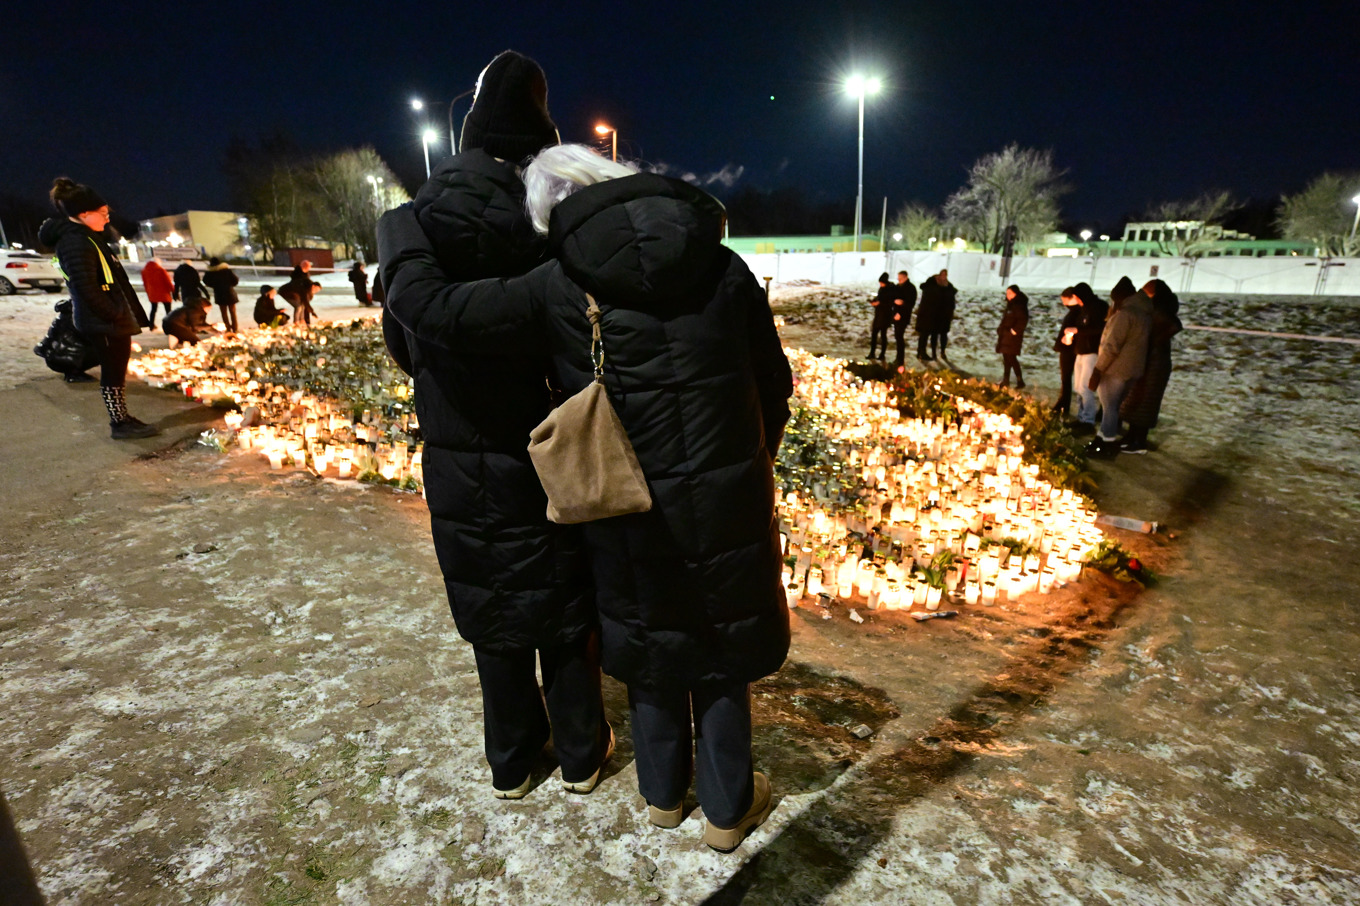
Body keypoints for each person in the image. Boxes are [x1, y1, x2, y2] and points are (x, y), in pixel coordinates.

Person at [382, 143, 794, 853]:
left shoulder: (558, 285)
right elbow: (774, 383)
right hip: (727, 497)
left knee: (649, 636)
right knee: (720, 643)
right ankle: (727, 811)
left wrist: (398, 228)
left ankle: (663, 797)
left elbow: (435, 310)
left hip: (624, 499)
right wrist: (748, 463)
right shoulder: (722, 265)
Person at [376, 51, 607, 803]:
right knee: (564, 610)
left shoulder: (421, 226)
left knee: (493, 610)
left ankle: (511, 762)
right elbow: (577, 342)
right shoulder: (550, 221)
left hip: (458, 451)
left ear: (470, 137)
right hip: (548, 448)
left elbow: (405, 343)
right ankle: (580, 755)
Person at [38, 178, 159, 439]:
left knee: (117, 370)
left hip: (108, 319)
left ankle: (122, 417)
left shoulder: (87, 237)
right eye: (103, 213)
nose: (107, 218)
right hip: (103, 321)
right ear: (84, 214)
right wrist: (114, 313)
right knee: (113, 371)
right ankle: (119, 423)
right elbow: (86, 288)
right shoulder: (75, 242)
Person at [1086, 276, 1152, 458]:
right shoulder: (1144, 313)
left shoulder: (1125, 314)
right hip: (1133, 369)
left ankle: (1106, 445)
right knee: (1113, 408)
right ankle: (1101, 438)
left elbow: (1111, 346)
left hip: (1115, 369)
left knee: (1109, 408)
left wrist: (1098, 370)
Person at [1118, 279, 1183, 454]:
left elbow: (1174, 325)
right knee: (1135, 398)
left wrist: (1153, 342)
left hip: (1155, 364)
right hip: (1147, 360)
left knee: (1146, 402)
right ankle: (1131, 435)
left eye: (1146, 294)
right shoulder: (1156, 309)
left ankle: (1139, 441)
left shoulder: (1161, 310)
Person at [1064, 283, 1107, 433]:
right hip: (1081, 351)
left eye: (1077, 297)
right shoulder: (1084, 309)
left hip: (1091, 352)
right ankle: (1081, 417)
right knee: (1078, 387)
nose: (1076, 300)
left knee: (1085, 387)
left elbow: (1098, 329)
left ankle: (1088, 421)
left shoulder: (1098, 307)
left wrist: (1077, 330)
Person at [916, 270, 957, 362]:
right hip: (932, 316)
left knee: (927, 335)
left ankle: (924, 352)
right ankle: (926, 353)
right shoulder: (934, 289)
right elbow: (939, 302)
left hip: (932, 316)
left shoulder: (935, 288)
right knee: (927, 334)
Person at [996, 284, 1029, 388]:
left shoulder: (1019, 305)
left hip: (1012, 337)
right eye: (1007, 293)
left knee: (1011, 358)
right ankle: (1008, 380)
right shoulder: (1011, 305)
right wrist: (1001, 329)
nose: (1008, 295)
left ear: (1016, 293)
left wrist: (1014, 331)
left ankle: (1018, 380)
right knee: (1007, 358)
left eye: (1010, 293)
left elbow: (1023, 319)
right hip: (1006, 336)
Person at [202, 257, 240, 334]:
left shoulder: (211, 272)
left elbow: (205, 281)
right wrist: (229, 285)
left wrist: (214, 285)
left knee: (224, 313)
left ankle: (228, 328)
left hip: (219, 294)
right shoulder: (227, 271)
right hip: (230, 293)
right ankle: (235, 328)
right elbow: (235, 280)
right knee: (232, 312)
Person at [280, 260, 320, 325]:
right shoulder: (299, 278)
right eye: (308, 267)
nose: (309, 269)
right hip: (291, 292)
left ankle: (302, 320)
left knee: (302, 305)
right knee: (298, 306)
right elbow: (305, 299)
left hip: (297, 292)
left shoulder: (305, 276)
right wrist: (312, 312)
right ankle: (296, 322)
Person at [140, 257, 175, 331]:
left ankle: (151, 325)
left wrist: (148, 292)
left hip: (152, 293)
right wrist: (173, 290)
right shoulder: (160, 270)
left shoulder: (144, 270)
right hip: (163, 293)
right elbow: (168, 282)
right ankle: (169, 325)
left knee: (153, 309)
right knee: (168, 310)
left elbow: (145, 283)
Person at [891, 270, 916, 368]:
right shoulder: (898, 287)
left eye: (900, 278)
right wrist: (895, 310)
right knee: (897, 337)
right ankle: (898, 358)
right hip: (896, 315)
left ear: (906, 277)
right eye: (898, 278)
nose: (899, 280)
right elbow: (893, 299)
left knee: (899, 337)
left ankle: (900, 359)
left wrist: (903, 304)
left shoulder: (911, 288)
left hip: (904, 316)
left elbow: (911, 303)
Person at [867, 272, 893, 360]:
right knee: (874, 334)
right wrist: (874, 301)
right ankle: (872, 353)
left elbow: (889, 302)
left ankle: (882, 354)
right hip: (878, 315)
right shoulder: (881, 289)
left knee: (883, 335)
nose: (880, 284)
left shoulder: (890, 290)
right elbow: (879, 298)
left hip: (885, 316)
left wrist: (880, 303)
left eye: (881, 283)